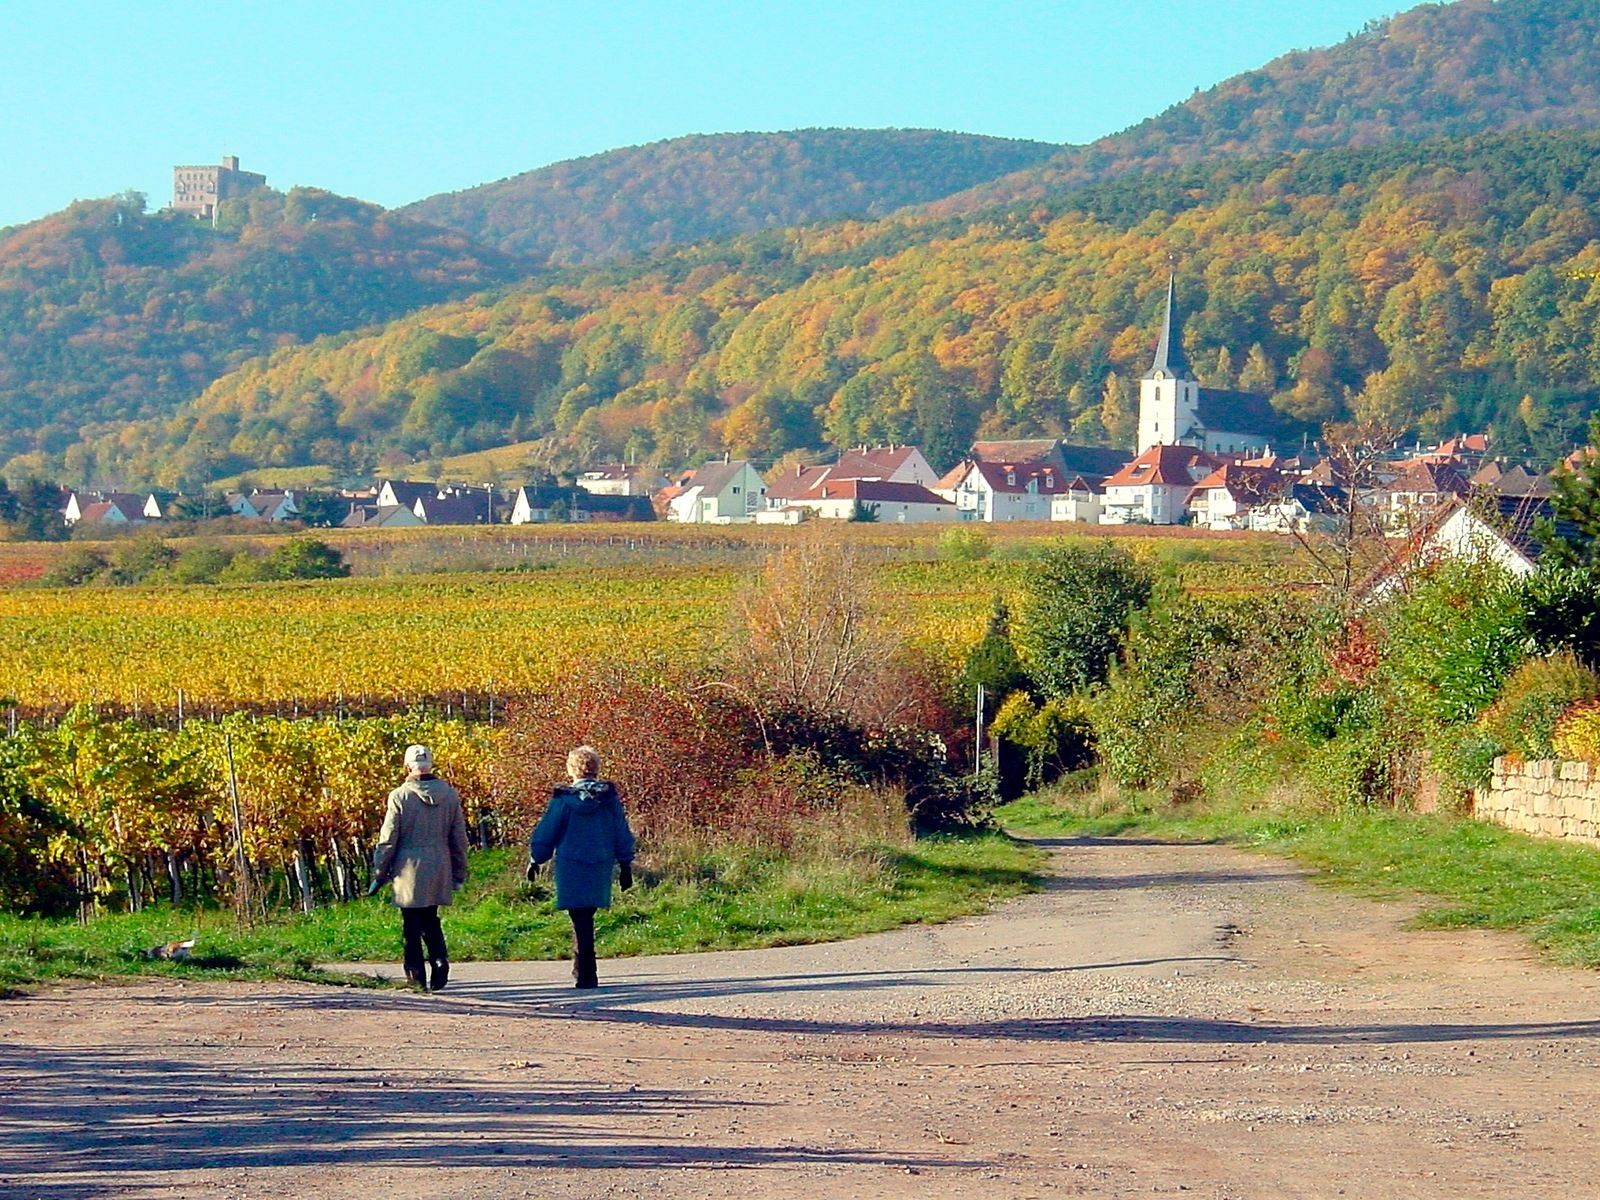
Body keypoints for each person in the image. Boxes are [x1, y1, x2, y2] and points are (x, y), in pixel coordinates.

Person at [526, 745, 636, 989]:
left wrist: (536, 859)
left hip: (571, 864)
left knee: (579, 917)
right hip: (600, 862)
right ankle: (585, 969)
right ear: (596, 768)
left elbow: (547, 832)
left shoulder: (563, 801)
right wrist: (626, 863)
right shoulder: (609, 800)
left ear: (571, 769)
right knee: (587, 915)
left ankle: (585, 971)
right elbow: (621, 832)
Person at [370, 743, 469, 991]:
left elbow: (388, 838)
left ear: (407, 767)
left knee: (411, 925)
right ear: (431, 765)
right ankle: (439, 960)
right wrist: (459, 872)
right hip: (439, 864)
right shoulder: (449, 794)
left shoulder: (400, 796)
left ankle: (415, 976)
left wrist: (379, 872)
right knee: (431, 918)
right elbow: (459, 837)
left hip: (408, 868)